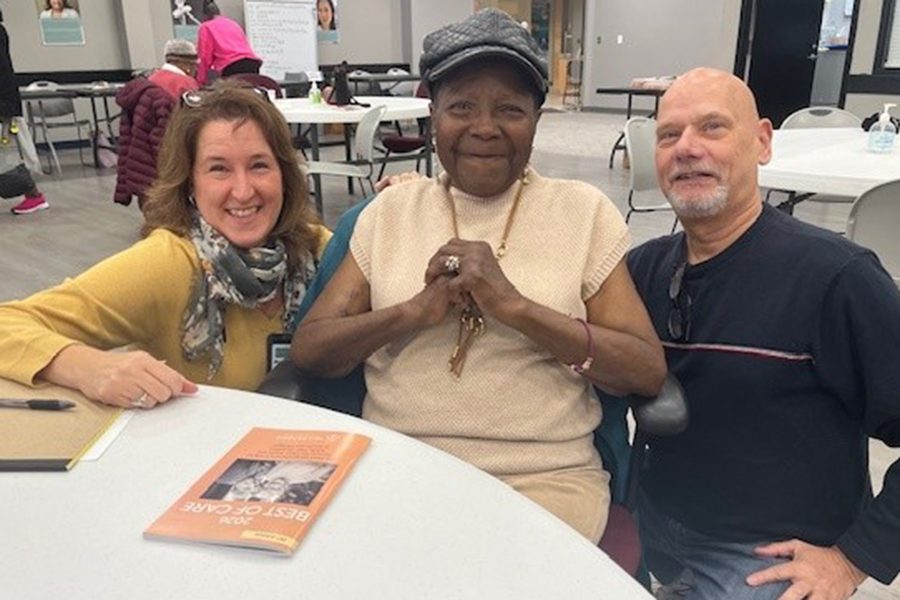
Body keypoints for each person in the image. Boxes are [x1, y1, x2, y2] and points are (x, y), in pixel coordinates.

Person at [290, 8, 666, 544]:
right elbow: (311, 350)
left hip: (544, 481)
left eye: (509, 109)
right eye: (461, 106)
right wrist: (410, 313)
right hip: (397, 468)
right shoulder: (389, 215)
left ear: (537, 119)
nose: (484, 127)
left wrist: (516, 308)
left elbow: (645, 370)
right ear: (433, 115)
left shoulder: (582, 213)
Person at [626, 67, 900, 599]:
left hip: (766, 554)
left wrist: (852, 559)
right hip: (655, 524)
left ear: (762, 143)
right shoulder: (641, 271)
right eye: (668, 134)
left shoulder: (834, 279)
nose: (686, 148)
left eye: (712, 128)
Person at [0, 81, 330, 409]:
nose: (242, 191)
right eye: (219, 169)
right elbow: (7, 325)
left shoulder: (314, 248)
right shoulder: (169, 263)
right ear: (190, 183)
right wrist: (88, 367)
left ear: (284, 176)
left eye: (259, 165)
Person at [114, 39, 199, 209]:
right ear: (188, 65)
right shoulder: (185, 85)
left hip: (140, 160)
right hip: (165, 161)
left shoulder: (150, 80)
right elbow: (194, 128)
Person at [0, 9, 48, 215]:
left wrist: (5, 108)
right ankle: (33, 195)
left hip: (3, 103)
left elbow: (2, 71)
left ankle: (34, 195)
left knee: (7, 155)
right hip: (5, 100)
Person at [196, 0, 262, 86]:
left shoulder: (206, 27)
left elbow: (205, 57)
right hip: (252, 63)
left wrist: (200, 82)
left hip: (231, 66)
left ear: (204, 16)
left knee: (230, 96)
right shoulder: (233, 23)